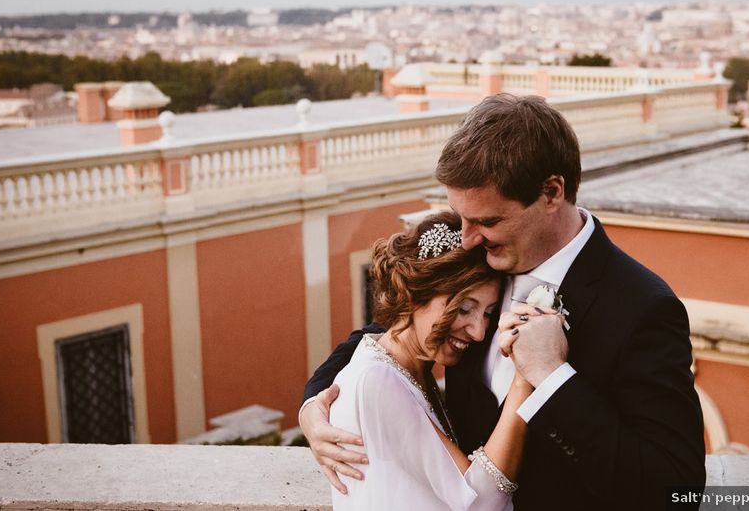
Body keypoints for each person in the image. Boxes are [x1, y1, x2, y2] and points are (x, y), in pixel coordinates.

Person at [302, 94, 706, 510]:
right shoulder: (484, 256)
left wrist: (552, 378)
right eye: (461, 217)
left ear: (551, 192)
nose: (468, 237)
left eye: (488, 221)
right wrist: (316, 402)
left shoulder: (642, 307)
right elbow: (395, 332)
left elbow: (676, 489)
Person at [327, 210, 538, 510]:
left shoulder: (407, 370)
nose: (479, 332)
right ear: (416, 293)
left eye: (488, 313)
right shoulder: (376, 380)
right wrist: (524, 379)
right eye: (464, 308)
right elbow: (480, 502)